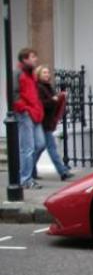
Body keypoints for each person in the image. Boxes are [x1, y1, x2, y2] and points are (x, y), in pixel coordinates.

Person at [33, 65, 74, 181]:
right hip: (42, 121)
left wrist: (58, 97)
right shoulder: (39, 87)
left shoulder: (47, 87)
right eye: (44, 73)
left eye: (47, 73)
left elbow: (52, 102)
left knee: (40, 148)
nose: (47, 74)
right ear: (39, 74)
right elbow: (41, 104)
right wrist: (54, 99)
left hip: (47, 122)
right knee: (51, 147)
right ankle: (63, 172)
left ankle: (31, 171)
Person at [13, 48, 46, 189]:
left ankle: (25, 173)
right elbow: (14, 93)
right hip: (25, 113)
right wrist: (24, 109)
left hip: (34, 113)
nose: (35, 59)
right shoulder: (18, 73)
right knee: (28, 148)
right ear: (24, 59)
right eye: (33, 57)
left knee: (40, 144)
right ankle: (25, 179)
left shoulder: (31, 74)